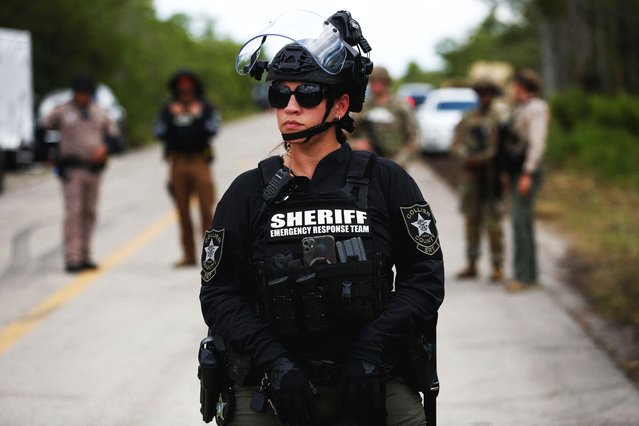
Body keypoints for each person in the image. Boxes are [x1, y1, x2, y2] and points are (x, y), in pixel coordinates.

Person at [199, 10, 444, 426]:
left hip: (371, 374)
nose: (290, 107)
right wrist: (275, 363)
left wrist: (371, 351)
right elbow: (218, 293)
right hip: (272, 382)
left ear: (340, 104)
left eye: (308, 93)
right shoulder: (247, 192)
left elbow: (425, 278)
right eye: (280, 94)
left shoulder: (385, 182)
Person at [40, 75, 120, 273]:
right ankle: (72, 258)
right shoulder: (62, 112)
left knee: (89, 213)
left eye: (86, 94)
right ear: (74, 94)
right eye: (79, 93)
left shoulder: (100, 113)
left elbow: (116, 139)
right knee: (73, 214)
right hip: (72, 170)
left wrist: (105, 148)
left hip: (93, 170)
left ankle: (85, 255)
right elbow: (40, 130)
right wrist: (49, 154)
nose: (82, 97)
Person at [154, 69, 221, 268]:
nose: (185, 95)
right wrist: (171, 118)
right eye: (182, 91)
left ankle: (212, 257)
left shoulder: (206, 108)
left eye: (189, 91)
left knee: (206, 210)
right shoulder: (167, 110)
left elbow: (214, 129)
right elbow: (158, 132)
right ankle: (188, 255)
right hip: (177, 163)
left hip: (200, 161)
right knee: (182, 210)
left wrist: (197, 116)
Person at [499, 69, 550, 292]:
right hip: (516, 172)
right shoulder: (520, 108)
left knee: (520, 222)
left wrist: (528, 173)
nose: (513, 89)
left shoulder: (536, 108)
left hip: (526, 171)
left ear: (523, 86)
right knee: (523, 223)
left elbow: (537, 143)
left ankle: (522, 276)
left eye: (515, 85)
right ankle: (531, 274)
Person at [451, 80, 505, 282]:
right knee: (471, 220)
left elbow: (501, 147)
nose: (484, 97)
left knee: (493, 222)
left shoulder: (499, 118)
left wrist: (485, 158)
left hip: (491, 176)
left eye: (488, 93)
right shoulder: (469, 117)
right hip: (471, 176)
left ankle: (497, 264)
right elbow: (456, 143)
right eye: (481, 93)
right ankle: (472, 263)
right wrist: (467, 157)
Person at [349, 66, 419, 168]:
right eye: (373, 81)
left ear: (387, 82)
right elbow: (345, 135)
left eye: (380, 81)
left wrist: (398, 163)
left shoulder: (401, 106)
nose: (376, 85)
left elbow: (414, 138)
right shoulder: (362, 107)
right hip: (366, 165)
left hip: (396, 165)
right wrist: (355, 145)